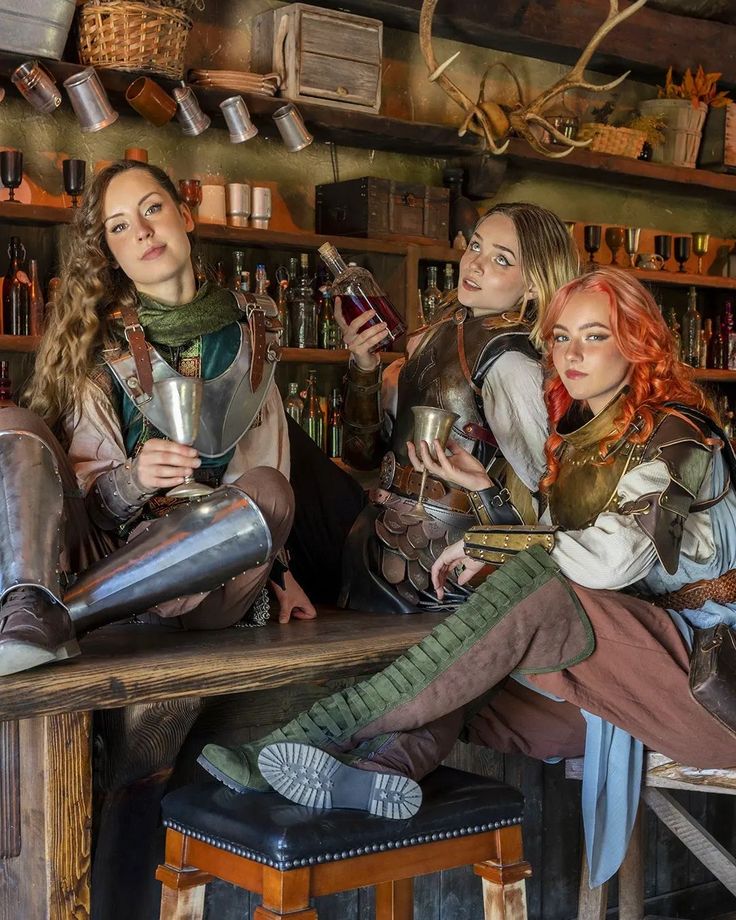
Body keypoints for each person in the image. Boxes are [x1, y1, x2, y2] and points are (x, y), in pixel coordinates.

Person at [199, 267, 736, 885]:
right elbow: (563, 547)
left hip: (709, 685)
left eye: (596, 335)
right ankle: (381, 769)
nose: (571, 354)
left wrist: (495, 544)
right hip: (626, 687)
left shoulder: (680, 435)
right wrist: (485, 494)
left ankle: (310, 735)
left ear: (637, 342)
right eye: (561, 337)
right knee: (469, 668)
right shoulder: (581, 437)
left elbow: (608, 563)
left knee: (536, 602)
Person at [0, 160, 313, 678]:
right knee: (11, 420)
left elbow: (261, 484)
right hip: (107, 555)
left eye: (152, 209)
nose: (142, 231)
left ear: (184, 215)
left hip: (209, 584)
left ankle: (62, 617)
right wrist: (133, 479)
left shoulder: (253, 336)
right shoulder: (98, 347)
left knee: (272, 487)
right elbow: (90, 506)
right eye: (120, 226)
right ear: (112, 254)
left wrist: (279, 571)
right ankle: (33, 608)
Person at [337, 202, 580, 613]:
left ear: (535, 285)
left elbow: (552, 496)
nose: (476, 265)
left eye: (501, 259)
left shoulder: (508, 361)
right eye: (476, 248)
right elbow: (363, 456)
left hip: (444, 560)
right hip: (381, 536)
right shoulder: (440, 333)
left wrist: (497, 545)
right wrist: (365, 368)